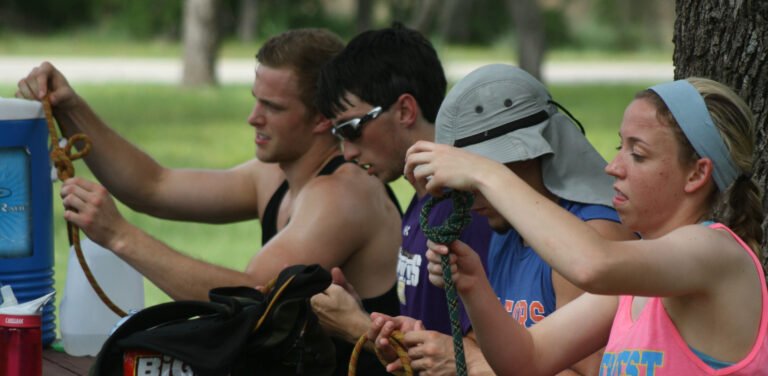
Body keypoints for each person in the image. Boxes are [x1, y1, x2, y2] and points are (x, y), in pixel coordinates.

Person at [17, 29, 403, 375]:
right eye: (256, 101)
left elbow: (253, 300)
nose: (254, 118)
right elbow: (153, 186)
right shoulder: (274, 175)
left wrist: (120, 237)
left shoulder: (344, 194)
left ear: (322, 119)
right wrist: (71, 108)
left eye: (273, 107)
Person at [408, 77, 768, 375]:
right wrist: (474, 285)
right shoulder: (636, 283)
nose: (613, 167)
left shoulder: (717, 253)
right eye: (619, 147)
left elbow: (593, 264)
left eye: (637, 154)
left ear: (697, 173)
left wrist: (484, 171)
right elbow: (526, 360)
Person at [369, 64, 637, 375]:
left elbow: (590, 372)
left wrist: (465, 365)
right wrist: (428, 348)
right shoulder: (505, 233)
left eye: (477, 178)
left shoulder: (593, 236)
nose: (469, 199)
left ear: (528, 154)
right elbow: (490, 346)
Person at [309, 23, 494, 374]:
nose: (346, 152)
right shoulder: (424, 202)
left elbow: (475, 357)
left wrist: (354, 325)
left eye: (350, 129)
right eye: (337, 135)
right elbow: (429, 328)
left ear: (406, 110)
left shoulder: (470, 212)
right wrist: (368, 315)